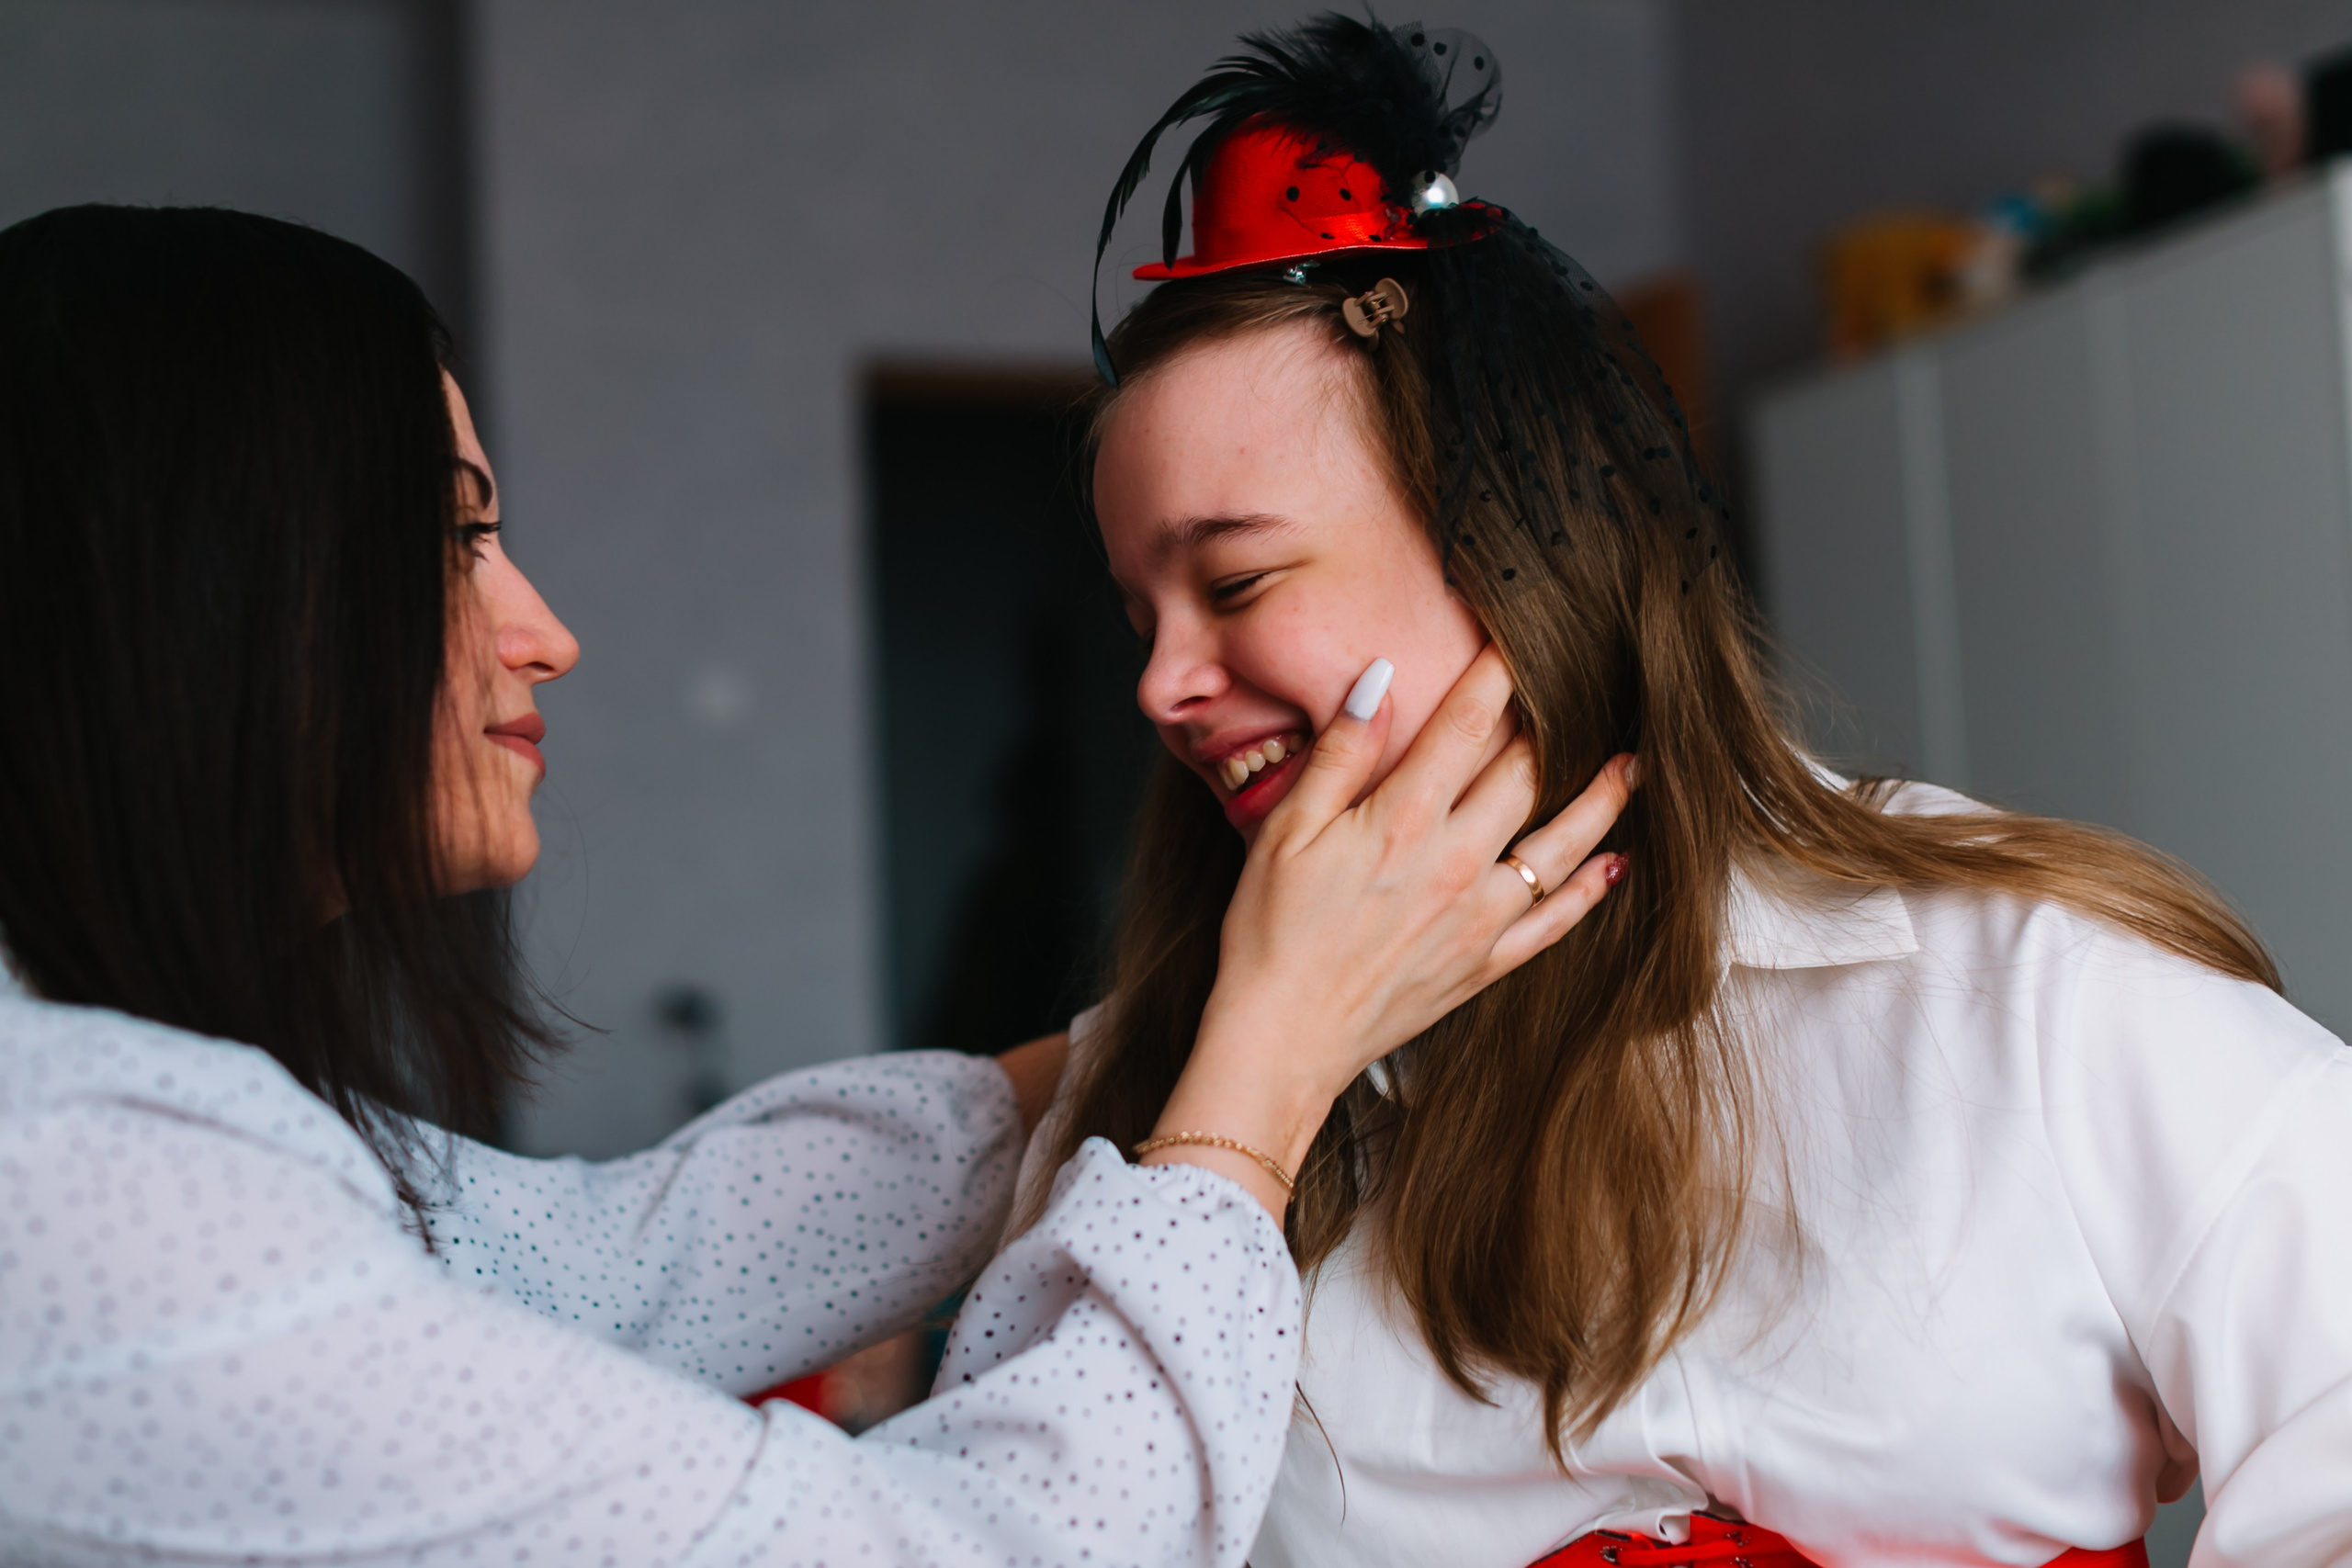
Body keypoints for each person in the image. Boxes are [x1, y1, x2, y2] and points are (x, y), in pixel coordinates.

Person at [0, 203, 1630, 1565]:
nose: (541, 632)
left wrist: (1227, 1015)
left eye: (1243, 579)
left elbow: (623, 1264)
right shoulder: (83, 1199)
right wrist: (1256, 1084)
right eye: (454, 541)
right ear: (208, 594)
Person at [1007, 16, 2352, 1568]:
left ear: (1512, 552)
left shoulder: (2034, 993)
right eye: (1138, 616)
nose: (1162, 689)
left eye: (1233, 581)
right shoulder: (1165, 1114)